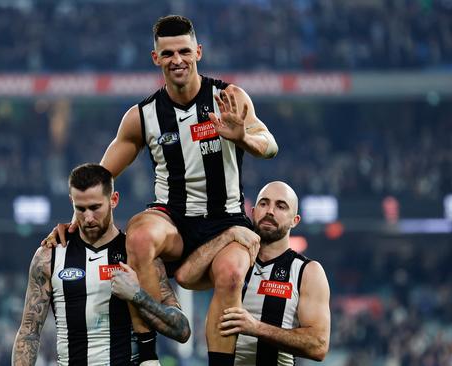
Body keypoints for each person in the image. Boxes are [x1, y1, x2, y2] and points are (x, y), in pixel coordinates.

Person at [44, 14, 278, 365]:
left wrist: (242, 136)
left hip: (226, 220)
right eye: (167, 53)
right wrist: (76, 218)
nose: (177, 60)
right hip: (172, 219)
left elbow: (270, 144)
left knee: (231, 274)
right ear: (156, 58)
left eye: (184, 51)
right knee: (137, 236)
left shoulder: (228, 98)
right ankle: (148, 354)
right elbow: (101, 177)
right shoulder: (143, 116)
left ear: (198, 52)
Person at [13, 164, 190, 366]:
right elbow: (29, 333)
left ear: (113, 200)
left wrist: (138, 296)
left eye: (95, 208)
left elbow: (182, 330)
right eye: (80, 209)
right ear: (72, 202)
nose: (88, 218)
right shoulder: (49, 256)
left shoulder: (137, 254)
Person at [175, 181, 331, 365]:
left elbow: (318, 346)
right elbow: (185, 277)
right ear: (253, 211)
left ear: (294, 220)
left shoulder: (307, 272)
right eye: (264, 204)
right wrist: (227, 235)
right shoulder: (231, 261)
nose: (270, 211)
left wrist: (256, 328)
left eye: (281, 206)